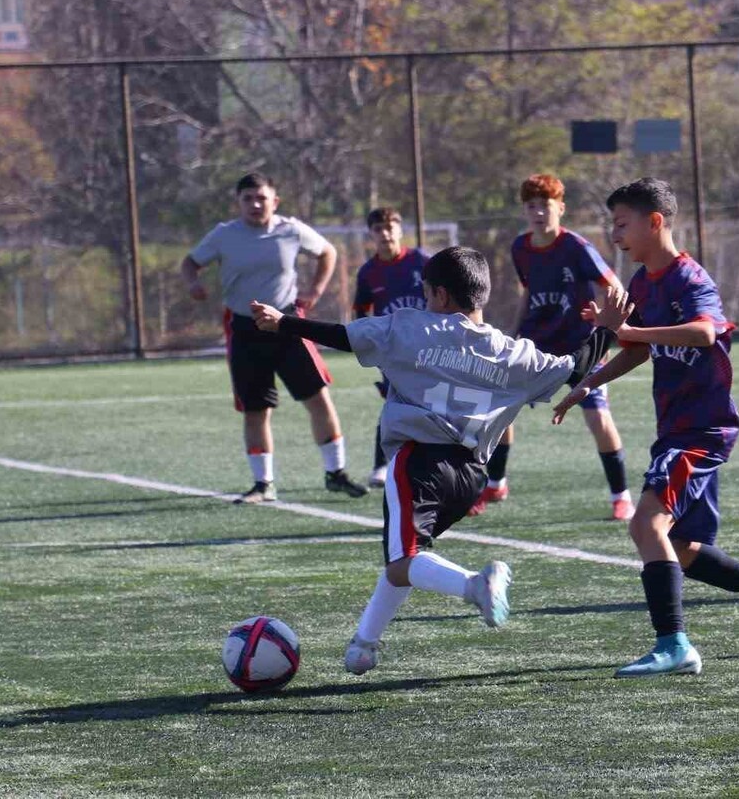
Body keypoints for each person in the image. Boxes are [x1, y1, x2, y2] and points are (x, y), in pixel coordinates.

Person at [248, 246, 612, 675]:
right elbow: (576, 367)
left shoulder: (410, 329)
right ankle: (364, 644)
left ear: (439, 296)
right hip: (471, 476)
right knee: (409, 559)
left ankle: (475, 585)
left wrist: (283, 323)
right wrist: (606, 330)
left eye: (426, 294)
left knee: (405, 560)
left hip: (418, 463)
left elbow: (342, 336)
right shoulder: (512, 353)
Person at [553, 178, 739, 678]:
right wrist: (587, 384)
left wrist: (629, 329)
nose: (614, 233)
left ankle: (674, 646)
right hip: (676, 428)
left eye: (622, 223)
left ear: (655, 222)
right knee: (682, 546)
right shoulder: (643, 283)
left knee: (646, 525)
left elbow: (705, 332)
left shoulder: (689, 279)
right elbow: (638, 348)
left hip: (701, 429)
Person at [181, 172, 367, 504]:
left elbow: (327, 253)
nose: (255, 204)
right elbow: (190, 262)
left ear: (275, 201)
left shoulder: (291, 230)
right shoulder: (224, 236)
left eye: (261, 198)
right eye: (247, 199)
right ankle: (263, 484)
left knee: (318, 399)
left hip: (287, 325)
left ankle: (336, 473)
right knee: (256, 409)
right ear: (237, 203)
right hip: (244, 329)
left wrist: (315, 290)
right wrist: (193, 283)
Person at [469, 173, 634, 521]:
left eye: (545, 205)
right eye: (531, 206)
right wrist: (512, 335)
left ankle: (621, 495)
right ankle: (495, 482)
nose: (538, 212)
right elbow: (528, 292)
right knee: (500, 406)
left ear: (560, 207)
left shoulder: (576, 247)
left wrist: (606, 325)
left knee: (598, 418)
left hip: (581, 348)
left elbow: (614, 286)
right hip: (536, 346)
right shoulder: (520, 248)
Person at [352, 207, 431, 488]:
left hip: (431, 348)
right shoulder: (368, 273)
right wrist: (370, 344)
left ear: (400, 230)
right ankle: (381, 465)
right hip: (394, 352)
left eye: (390, 227)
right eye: (378, 229)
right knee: (394, 404)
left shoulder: (422, 262)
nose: (385, 233)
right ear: (371, 234)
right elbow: (361, 311)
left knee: (435, 403)